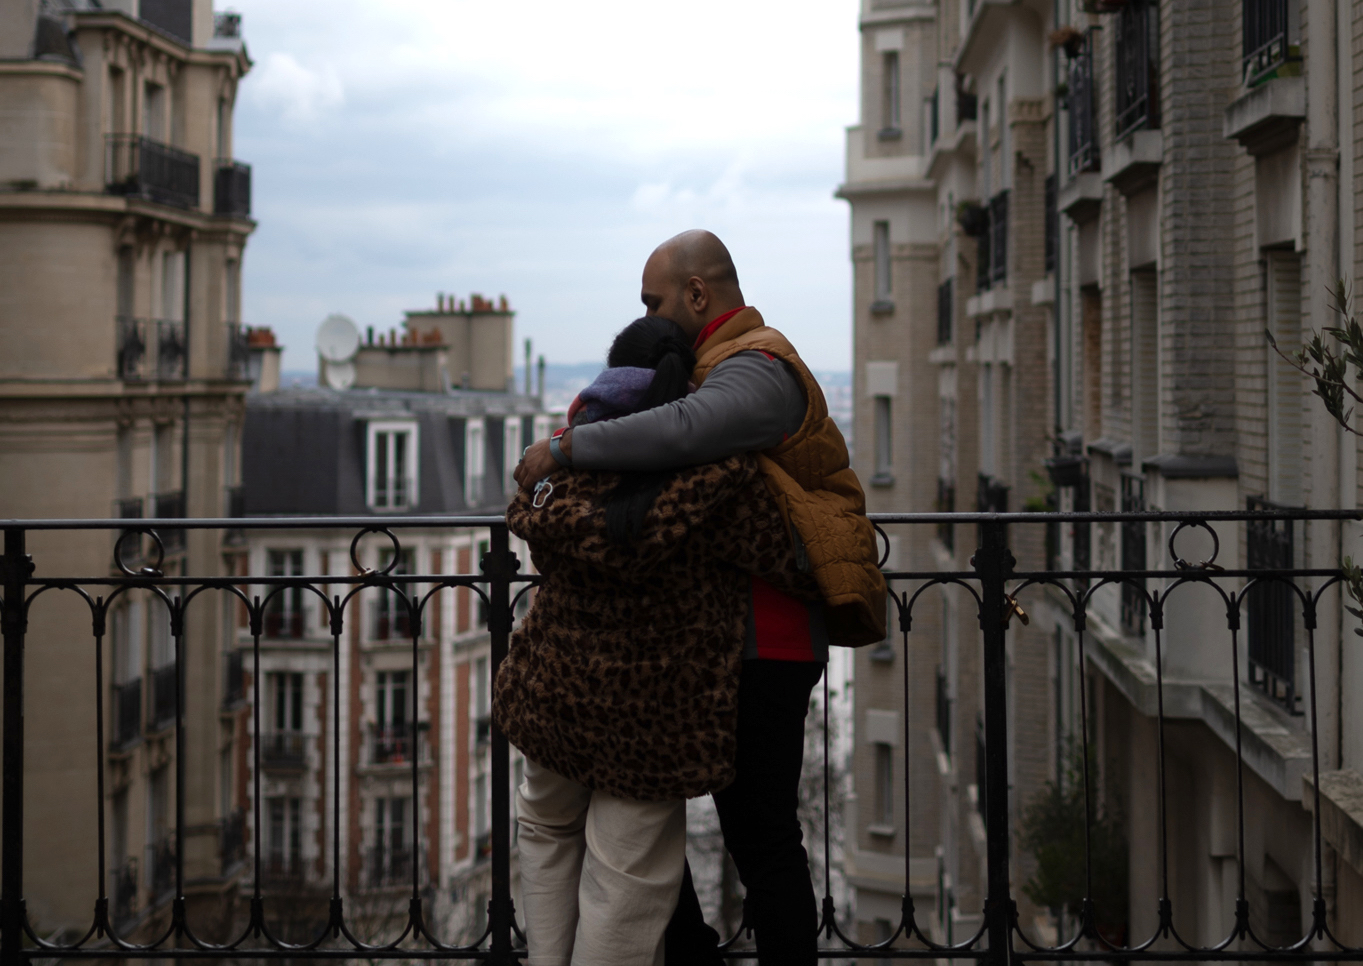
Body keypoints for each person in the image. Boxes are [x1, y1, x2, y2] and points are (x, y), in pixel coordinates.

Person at [515, 230, 886, 966]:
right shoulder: (718, 366)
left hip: (765, 642)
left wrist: (559, 451)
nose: (647, 314)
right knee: (647, 810)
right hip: (723, 641)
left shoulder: (759, 366)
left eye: (654, 300)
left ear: (696, 294)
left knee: (759, 835)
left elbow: (684, 431)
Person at [493, 315, 819, 966]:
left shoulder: (565, 458)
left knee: (547, 832)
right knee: (624, 876)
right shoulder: (716, 473)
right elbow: (788, 559)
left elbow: (545, 553)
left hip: (553, 690)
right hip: (652, 708)